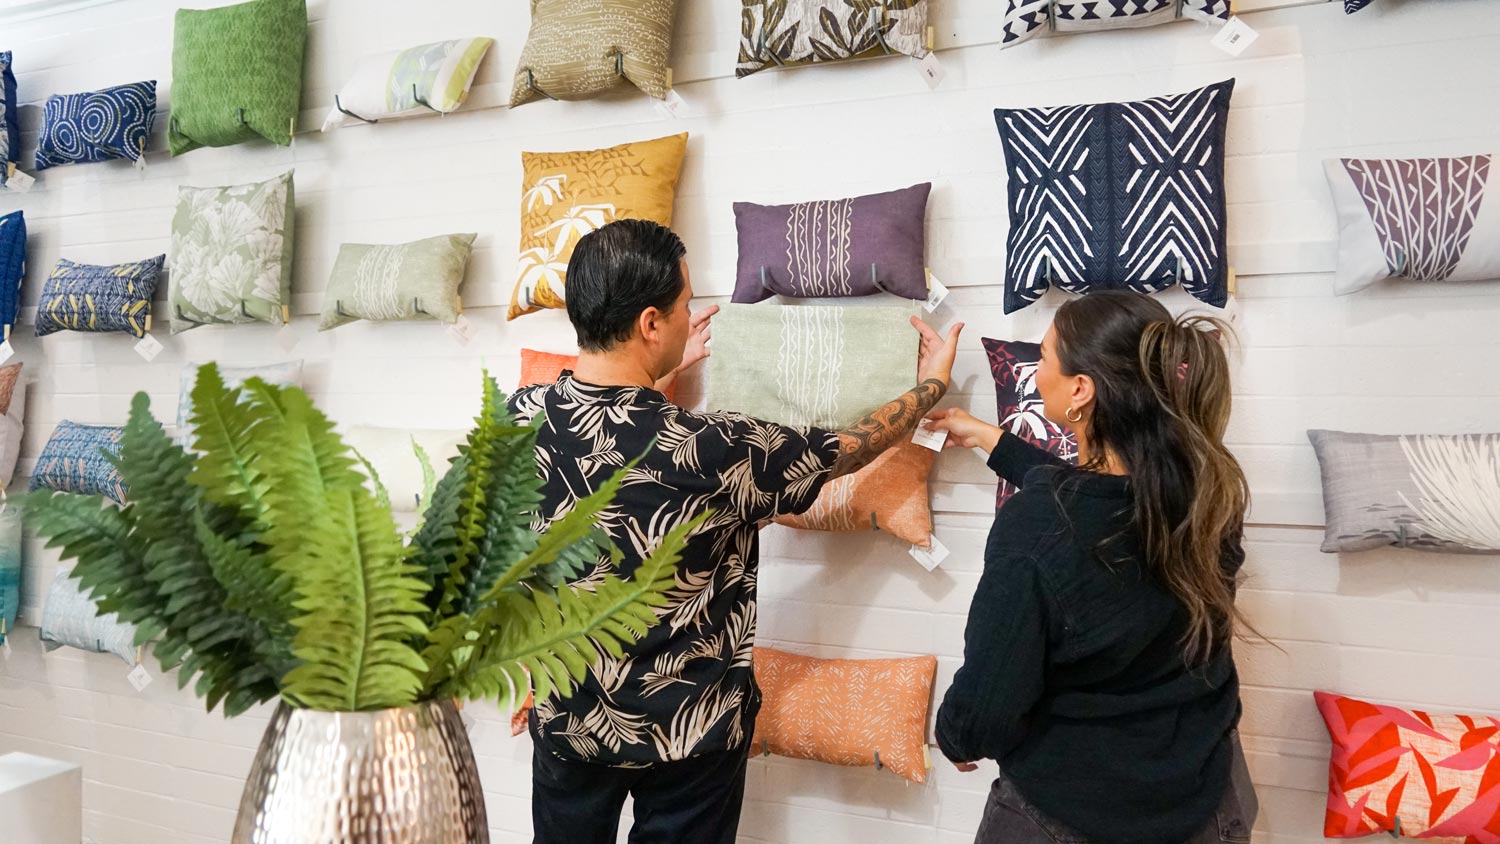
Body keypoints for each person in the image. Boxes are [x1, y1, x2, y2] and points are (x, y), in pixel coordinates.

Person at [508, 218, 964, 844]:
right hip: (691, 733)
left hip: (568, 720)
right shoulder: (714, 447)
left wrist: (658, 374)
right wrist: (931, 386)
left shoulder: (514, 420)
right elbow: (843, 451)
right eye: (684, 302)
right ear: (649, 324)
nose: (690, 311)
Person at [926, 290, 1257, 844]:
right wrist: (993, 440)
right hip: (1207, 803)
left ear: (1080, 391)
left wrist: (958, 736)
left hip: (1073, 812)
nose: (1036, 367)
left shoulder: (1039, 523)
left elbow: (988, 706)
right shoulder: (1204, 493)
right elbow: (1102, 498)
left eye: (1046, 356)